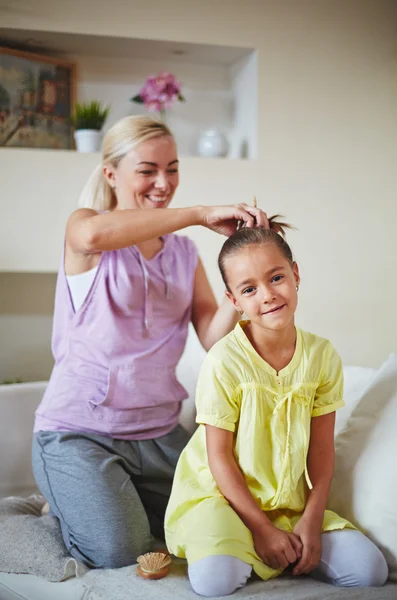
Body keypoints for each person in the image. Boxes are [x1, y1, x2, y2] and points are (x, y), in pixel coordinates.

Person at [31, 116, 270, 569]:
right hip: (81, 434)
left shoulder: (182, 253)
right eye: (148, 170)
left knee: (221, 530)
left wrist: (243, 290)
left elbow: (210, 335)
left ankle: (110, 500)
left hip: (161, 437)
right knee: (121, 551)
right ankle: (56, 507)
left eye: (173, 168)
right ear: (110, 174)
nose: (164, 183)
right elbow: (94, 234)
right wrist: (201, 214)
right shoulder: (87, 228)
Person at [164, 223, 389, 597]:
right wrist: (263, 531)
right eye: (249, 289)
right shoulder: (223, 361)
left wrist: (313, 521)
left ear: (295, 274)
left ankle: (270, 550)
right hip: (222, 497)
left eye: (276, 277)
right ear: (234, 300)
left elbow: (321, 450)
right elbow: (218, 457)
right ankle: (245, 546)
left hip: (289, 502)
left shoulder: (321, 356)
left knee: (370, 571)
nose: (267, 295)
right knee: (215, 581)